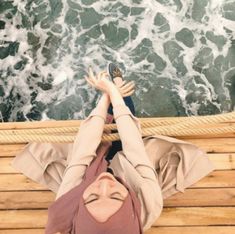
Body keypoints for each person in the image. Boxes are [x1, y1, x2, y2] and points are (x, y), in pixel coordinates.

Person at [11, 64, 215, 234]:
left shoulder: (69, 201)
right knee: (123, 117)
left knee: (97, 126)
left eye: (92, 197)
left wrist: (105, 96)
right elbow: (134, 146)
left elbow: (83, 151)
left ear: (79, 205)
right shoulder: (148, 202)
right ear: (131, 206)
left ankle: (115, 88)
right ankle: (119, 82)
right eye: (116, 196)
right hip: (129, 171)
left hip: (87, 172)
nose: (105, 185)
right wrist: (113, 91)